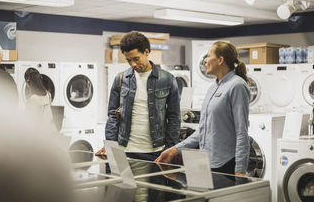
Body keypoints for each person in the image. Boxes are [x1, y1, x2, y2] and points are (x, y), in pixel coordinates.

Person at [156, 41, 250, 176]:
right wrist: (175, 149)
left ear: (220, 60)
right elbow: (202, 131)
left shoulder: (237, 86)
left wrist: (240, 170)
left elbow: (242, 132)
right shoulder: (213, 88)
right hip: (206, 162)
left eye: (208, 56)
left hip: (226, 164)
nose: (205, 60)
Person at [98, 31, 181, 161]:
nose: (133, 64)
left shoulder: (167, 79)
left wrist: (170, 149)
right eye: (128, 60)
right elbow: (112, 116)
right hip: (125, 150)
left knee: (154, 182)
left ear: (147, 52)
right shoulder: (121, 79)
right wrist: (110, 146)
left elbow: (174, 118)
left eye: (136, 59)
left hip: (156, 151)